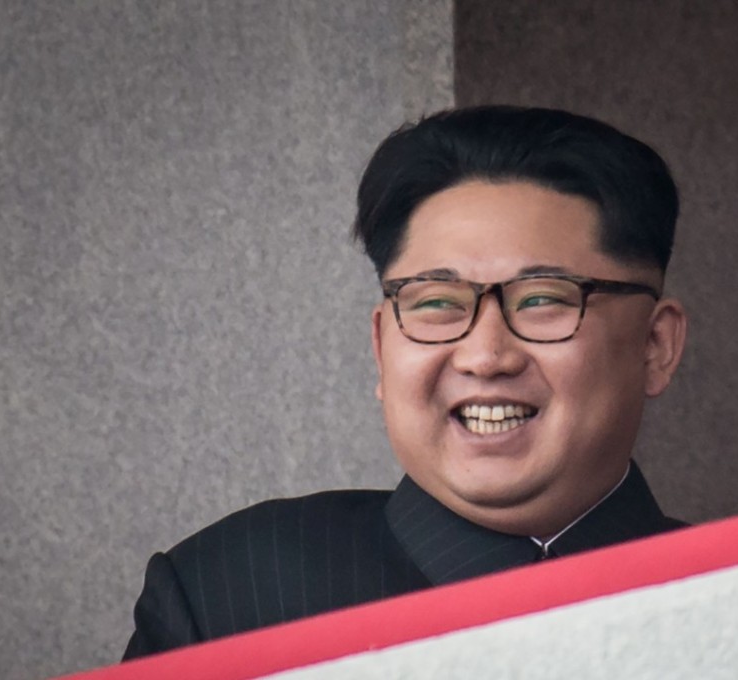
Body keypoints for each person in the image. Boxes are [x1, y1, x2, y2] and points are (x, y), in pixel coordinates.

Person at [122, 105, 688, 660]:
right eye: (436, 303)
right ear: (380, 347)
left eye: (542, 300)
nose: (485, 356)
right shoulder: (227, 595)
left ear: (655, 346)